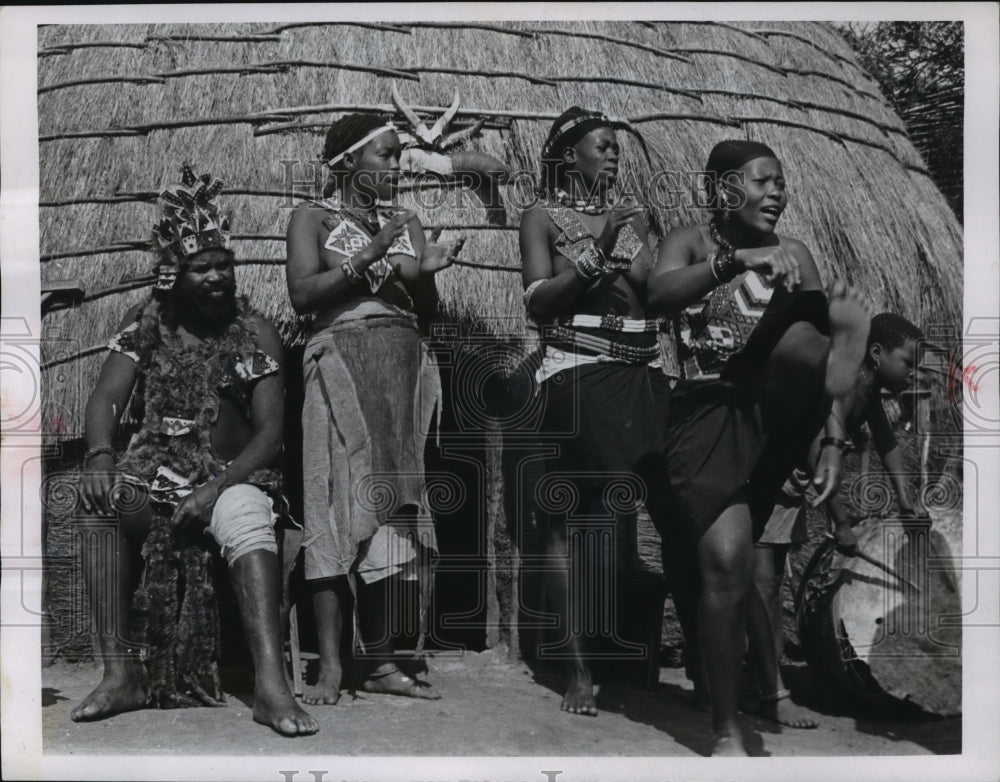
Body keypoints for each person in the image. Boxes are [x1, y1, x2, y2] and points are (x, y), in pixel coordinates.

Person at [73, 166, 317, 737]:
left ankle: (270, 686)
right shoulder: (145, 323)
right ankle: (120, 675)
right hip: (150, 471)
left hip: (229, 478)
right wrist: (101, 456)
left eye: (223, 267)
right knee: (97, 507)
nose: (215, 278)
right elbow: (106, 397)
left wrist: (215, 489)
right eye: (201, 269)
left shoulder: (254, 330)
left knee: (249, 520)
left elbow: (270, 436)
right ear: (172, 276)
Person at [648, 139, 873, 754]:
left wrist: (831, 440)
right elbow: (659, 296)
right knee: (727, 566)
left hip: (778, 414)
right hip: (709, 411)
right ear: (723, 190)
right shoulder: (689, 241)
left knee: (801, 326)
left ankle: (832, 358)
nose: (778, 191)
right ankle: (725, 727)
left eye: (782, 182)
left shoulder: (795, 251)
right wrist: (740, 263)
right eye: (764, 181)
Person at [285, 112, 464, 704]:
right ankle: (332, 666)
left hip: (399, 370)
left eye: (396, 157)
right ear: (348, 164)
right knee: (334, 504)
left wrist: (428, 273)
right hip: (338, 361)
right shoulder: (312, 218)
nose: (395, 167)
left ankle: (383, 660)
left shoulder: (404, 222)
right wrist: (371, 255)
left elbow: (423, 306)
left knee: (393, 513)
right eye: (385, 156)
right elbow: (304, 295)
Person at [519, 106, 666, 717]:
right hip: (574, 370)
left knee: (649, 515)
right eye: (601, 146)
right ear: (568, 154)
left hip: (639, 370)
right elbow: (538, 303)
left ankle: (635, 656)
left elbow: (652, 293)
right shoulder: (541, 217)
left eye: (616, 149)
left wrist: (631, 240)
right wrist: (597, 249)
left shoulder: (635, 215)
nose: (611, 156)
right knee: (563, 520)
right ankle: (577, 668)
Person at [746, 312, 928, 713]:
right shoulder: (844, 391)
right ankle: (764, 685)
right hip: (768, 481)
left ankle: (760, 678)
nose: (913, 374)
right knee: (762, 584)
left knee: (770, 581)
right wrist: (841, 523)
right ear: (877, 354)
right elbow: (816, 457)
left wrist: (906, 501)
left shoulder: (869, 392)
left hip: (786, 486)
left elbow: (887, 442)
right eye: (908, 363)